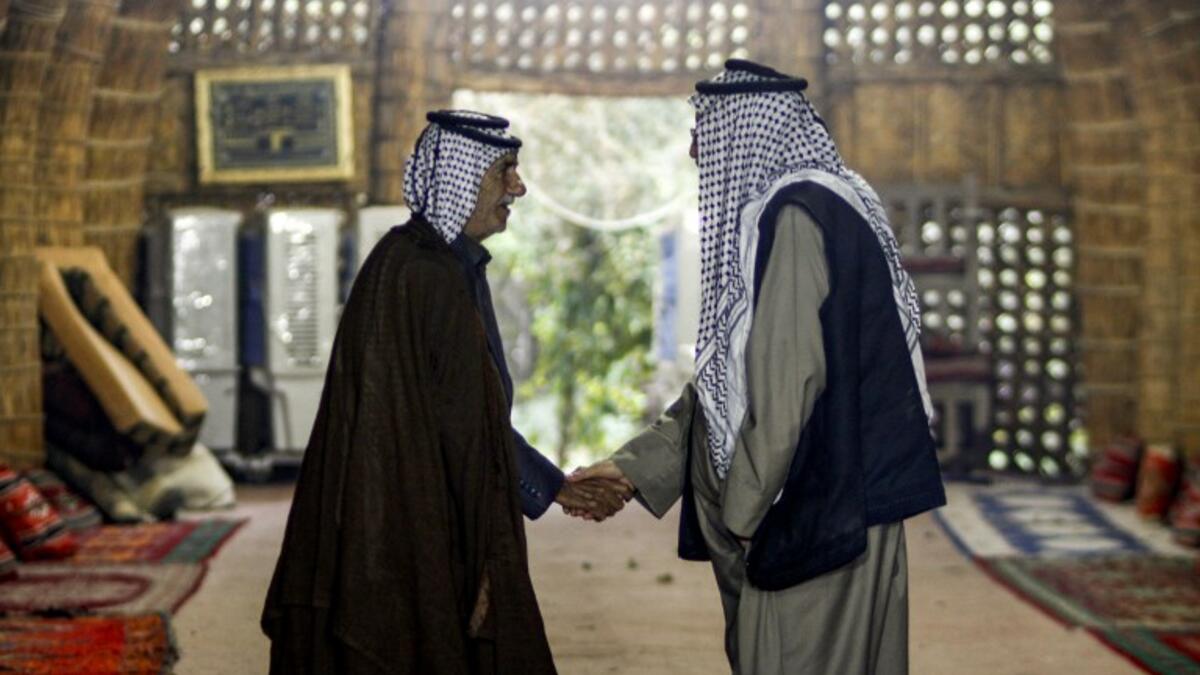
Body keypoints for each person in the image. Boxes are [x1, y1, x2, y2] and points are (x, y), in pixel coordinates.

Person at [569, 60, 946, 673]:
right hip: (845, 495)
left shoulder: (795, 219)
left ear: (745, 131)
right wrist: (632, 468)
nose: (695, 149)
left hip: (816, 512)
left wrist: (742, 516)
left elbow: (784, 393)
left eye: (704, 129)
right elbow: (727, 386)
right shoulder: (827, 200)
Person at [262, 110, 627, 675]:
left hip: (413, 507)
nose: (518, 188)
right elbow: (465, 427)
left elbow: (469, 415)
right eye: (503, 171)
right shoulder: (425, 275)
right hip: (405, 518)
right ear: (459, 177)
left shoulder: (428, 263)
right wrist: (550, 491)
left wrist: (551, 486)